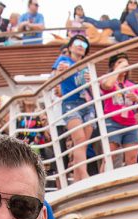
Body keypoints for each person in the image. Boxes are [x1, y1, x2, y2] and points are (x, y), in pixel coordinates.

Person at [52, 35, 93, 183]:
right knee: (79, 139)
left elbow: (92, 89)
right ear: (70, 47)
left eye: (84, 44)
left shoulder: (87, 66)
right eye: (77, 42)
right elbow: (55, 79)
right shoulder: (63, 60)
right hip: (71, 103)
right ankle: (85, 176)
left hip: (87, 104)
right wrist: (59, 73)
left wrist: (91, 82)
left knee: (82, 144)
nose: (81, 45)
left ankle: (77, 179)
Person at [100, 54, 138, 167]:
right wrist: (118, 69)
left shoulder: (131, 85)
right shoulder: (107, 79)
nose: (123, 65)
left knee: (132, 159)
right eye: (119, 62)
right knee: (109, 158)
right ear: (113, 66)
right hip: (112, 122)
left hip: (130, 124)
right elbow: (107, 85)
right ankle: (104, 178)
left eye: (125, 63)